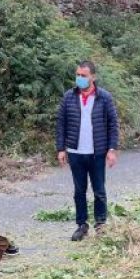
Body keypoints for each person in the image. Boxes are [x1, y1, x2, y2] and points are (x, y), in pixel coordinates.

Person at [55, 60, 119, 241]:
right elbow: (61, 124)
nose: (79, 78)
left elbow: (113, 124)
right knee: (79, 191)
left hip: (97, 152)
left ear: (93, 77)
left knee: (99, 190)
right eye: (77, 75)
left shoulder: (104, 97)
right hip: (75, 152)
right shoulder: (69, 97)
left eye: (83, 75)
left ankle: (101, 224)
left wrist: (111, 149)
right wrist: (61, 149)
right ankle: (82, 225)